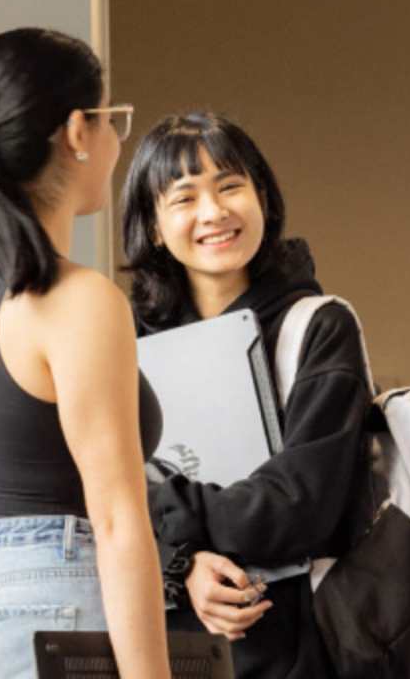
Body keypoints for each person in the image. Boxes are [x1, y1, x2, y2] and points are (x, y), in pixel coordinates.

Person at [0, 27, 173, 678]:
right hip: (42, 618)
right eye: (113, 121)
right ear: (77, 131)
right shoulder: (77, 301)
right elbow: (118, 524)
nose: (115, 141)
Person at [114, 113, 379, 678]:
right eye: (184, 197)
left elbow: (301, 504)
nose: (214, 213)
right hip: (171, 647)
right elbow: (96, 497)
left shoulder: (319, 327)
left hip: (295, 645)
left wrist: (166, 517)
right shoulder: (122, 341)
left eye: (231, 186)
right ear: (154, 226)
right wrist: (180, 567)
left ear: (263, 198)